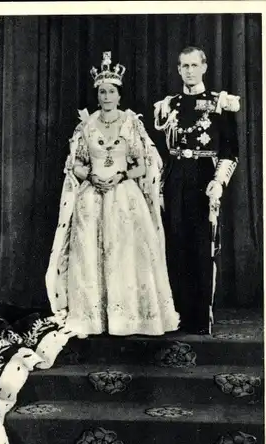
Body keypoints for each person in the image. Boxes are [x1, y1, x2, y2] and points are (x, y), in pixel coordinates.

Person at [46, 51, 180, 337]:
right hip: (91, 198)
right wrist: (90, 176)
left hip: (123, 196)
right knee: (90, 257)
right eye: (102, 91)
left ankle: (128, 318)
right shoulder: (85, 126)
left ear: (119, 96)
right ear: (98, 95)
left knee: (125, 255)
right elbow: (75, 164)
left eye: (112, 92)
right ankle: (93, 319)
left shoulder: (132, 123)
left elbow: (143, 165)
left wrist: (121, 175)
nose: (107, 96)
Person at [154, 46, 240, 335]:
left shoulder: (220, 103)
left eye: (194, 65)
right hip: (176, 176)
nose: (189, 71)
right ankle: (176, 316)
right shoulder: (170, 105)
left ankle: (200, 319)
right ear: (179, 70)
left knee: (201, 247)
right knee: (175, 245)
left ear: (204, 67)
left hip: (204, 178)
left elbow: (230, 151)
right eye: (184, 66)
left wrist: (219, 181)